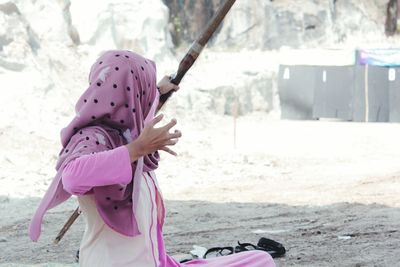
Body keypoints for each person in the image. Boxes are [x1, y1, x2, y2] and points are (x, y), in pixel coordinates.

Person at [29, 50, 275, 267]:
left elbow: (136, 105)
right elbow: (72, 177)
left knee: (260, 260)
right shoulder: (93, 139)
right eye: (142, 91)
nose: (145, 99)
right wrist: (135, 150)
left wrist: (158, 90)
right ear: (131, 96)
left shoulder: (127, 133)